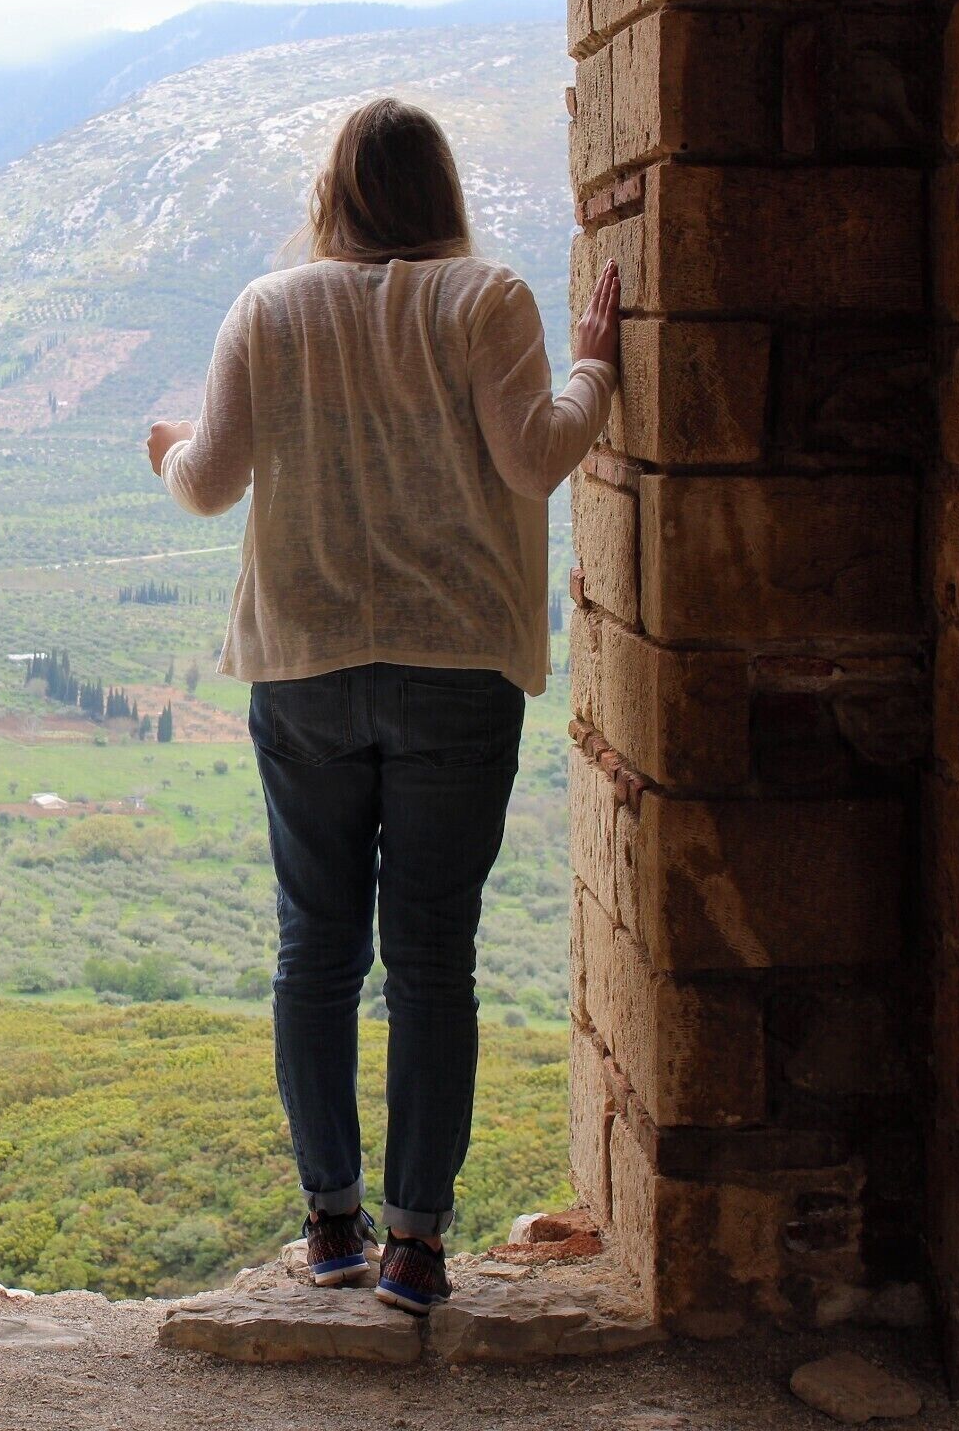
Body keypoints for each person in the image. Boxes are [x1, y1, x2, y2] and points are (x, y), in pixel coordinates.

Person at [146, 97, 620, 1313]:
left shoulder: (272, 307)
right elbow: (534, 459)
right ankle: (417, 1245)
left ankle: (333, 1228)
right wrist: (597, 369)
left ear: (335, 196)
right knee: (430, 959)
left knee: (315, 950)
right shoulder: (487, 300)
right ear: (441, 189)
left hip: (305, 663)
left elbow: (208, 484)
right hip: (457, 667)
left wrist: (161, 447)